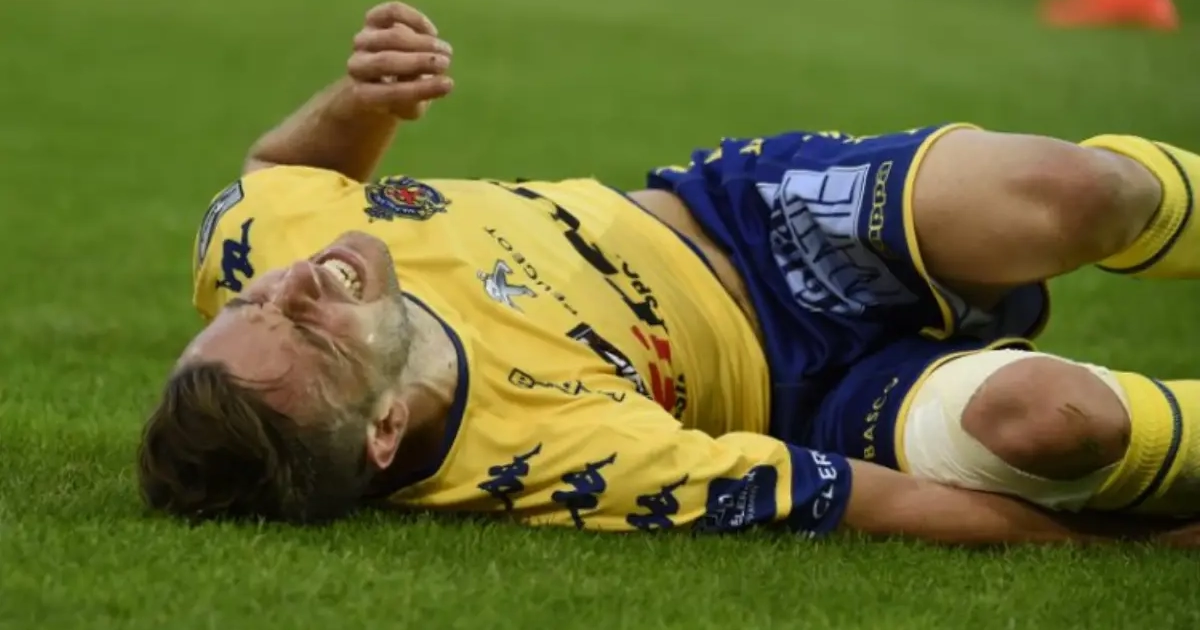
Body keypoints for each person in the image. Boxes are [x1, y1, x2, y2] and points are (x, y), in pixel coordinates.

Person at [137, 2, 1200, 546]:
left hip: (757, 221)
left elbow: (280, 172)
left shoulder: (261, 244)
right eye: (306, 326)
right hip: (826, 400)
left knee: (1069, 192)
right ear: (381, 432)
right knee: (1056, 422)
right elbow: (868, 503)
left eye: (253, 302)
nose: (294, 284)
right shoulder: (552, 466)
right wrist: (1107, 547)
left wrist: (365, 99)